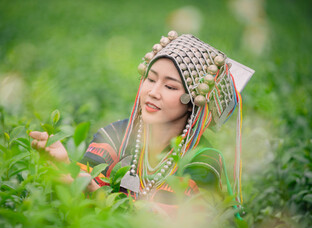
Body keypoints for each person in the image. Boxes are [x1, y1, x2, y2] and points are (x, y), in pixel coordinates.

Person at [29, 31, 250, 209]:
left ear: (193, 101)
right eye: (150, 79)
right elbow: (78, 194)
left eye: (170, 86)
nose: (153, 92)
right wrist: (63, 165)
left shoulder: (202, 161)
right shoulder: (116, 135)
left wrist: (91, 190)